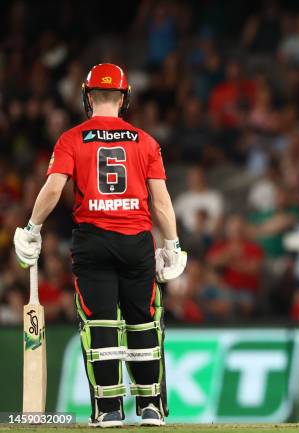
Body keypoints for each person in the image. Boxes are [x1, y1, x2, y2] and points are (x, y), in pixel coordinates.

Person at [13, 64, 187, 427]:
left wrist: (32, 228)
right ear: (124, 98)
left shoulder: (72, 139)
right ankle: (151, 407)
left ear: (88, 96)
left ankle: (109, 410)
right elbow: (161, 202)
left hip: (92, 240)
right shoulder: (146, 141)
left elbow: (53, 189)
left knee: (101, 322)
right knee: (142, 322)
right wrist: (172, 244)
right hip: (136, 240)